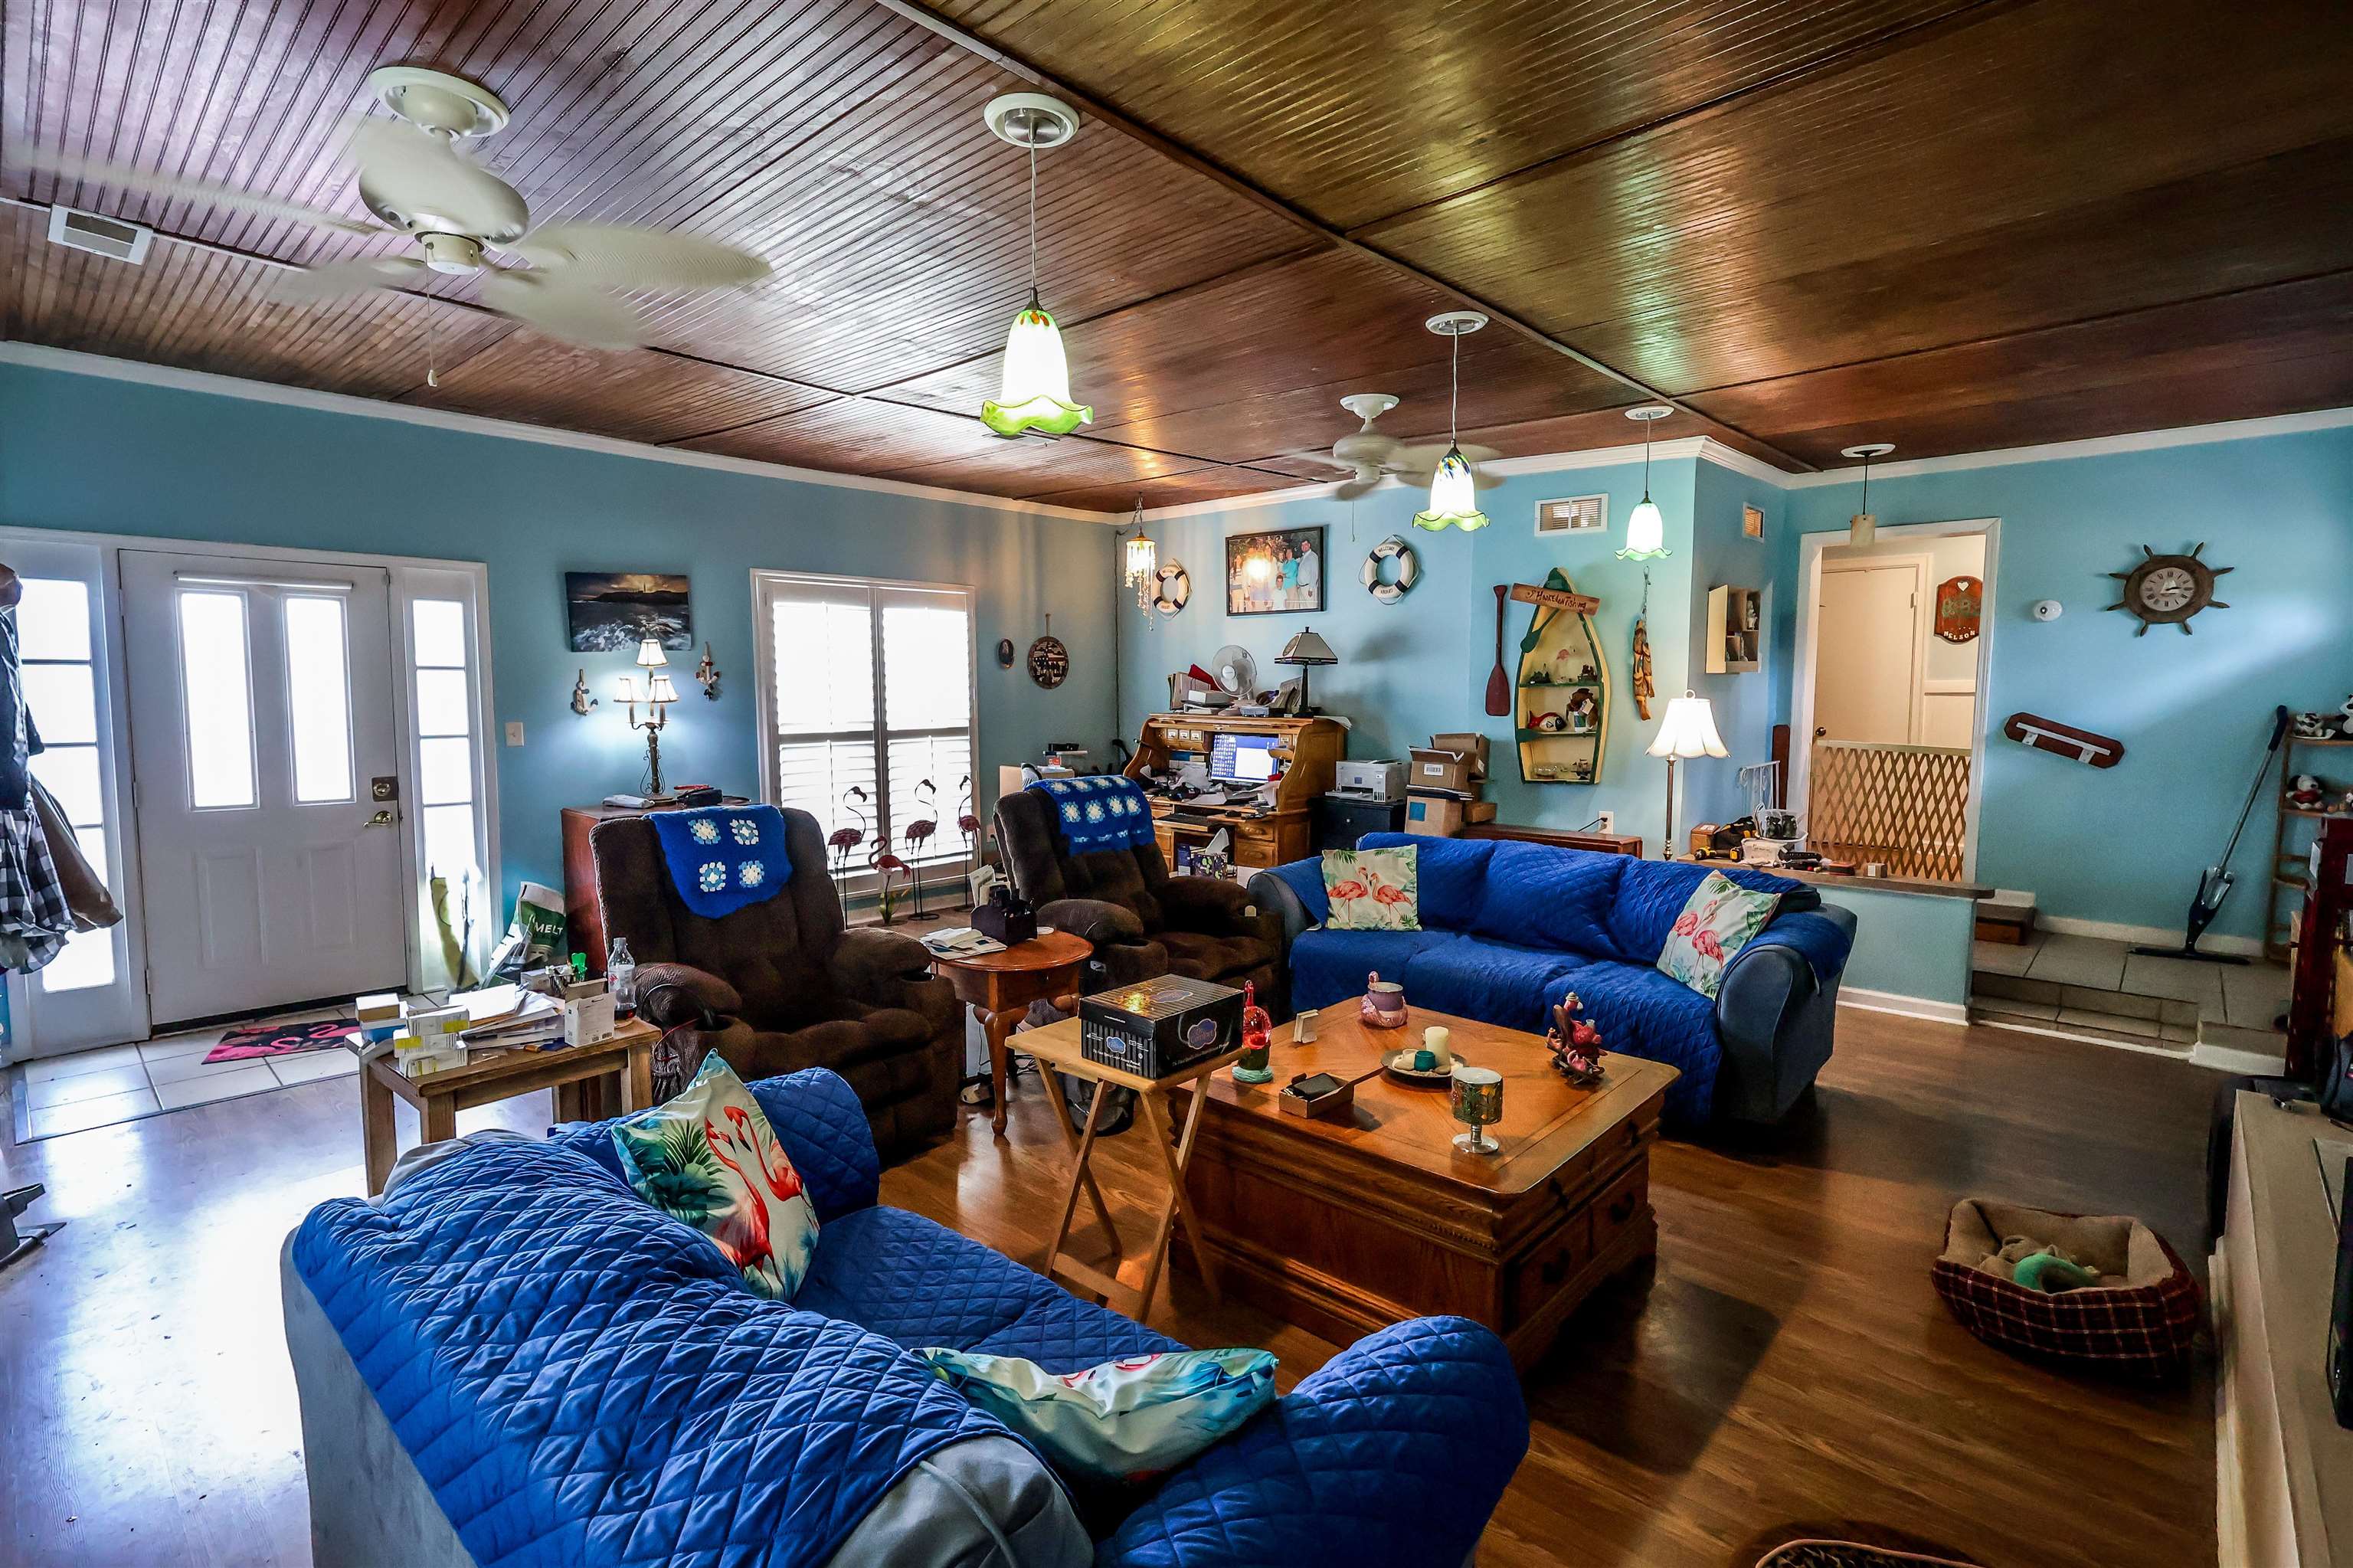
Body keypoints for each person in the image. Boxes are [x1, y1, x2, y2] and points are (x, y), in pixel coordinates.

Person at [1294, 535, 1320, 607]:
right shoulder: (1304, 557)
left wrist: (1311, 589)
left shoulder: (1312, 556)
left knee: (1311, 607)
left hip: (1308, 588)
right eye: (1302, 545)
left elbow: (1314, 574)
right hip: (1302, 588)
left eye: (1305, 545)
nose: (1304, 547)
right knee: (1303, 609)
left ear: (1309, 545)